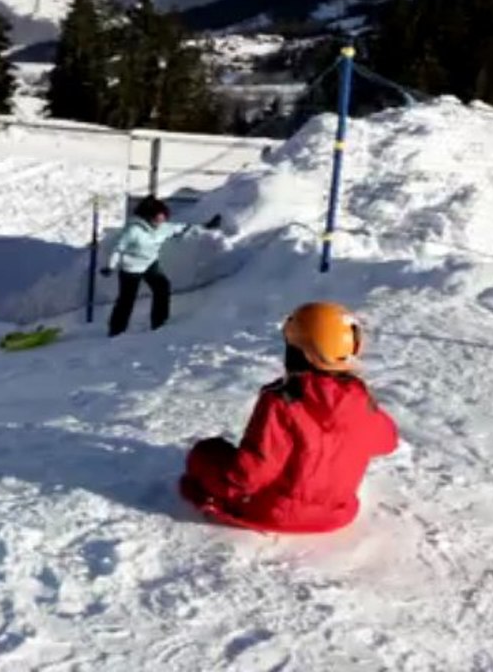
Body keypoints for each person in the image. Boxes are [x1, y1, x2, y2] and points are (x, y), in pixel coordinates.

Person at [180, 302, 397, 534]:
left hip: (275, 513)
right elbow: (388, 442)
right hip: (336, 515)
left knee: (206, 452)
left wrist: (205, 466)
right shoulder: (360, 401)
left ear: (298, 352)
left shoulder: (283, 400)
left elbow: (251, 476)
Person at [101, 196, 221, 337]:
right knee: (127, 299)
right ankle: (116, 330)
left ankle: (159, 323)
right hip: (131, 268)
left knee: (162, 287)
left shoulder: (163, 228)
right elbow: (118, 249)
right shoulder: (133, 230)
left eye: (163, 219)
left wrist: (205, 227)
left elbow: (182, 228)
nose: (161, 222)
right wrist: (110, 266)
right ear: (148, 217)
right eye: (158, 219)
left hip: (150, 264)